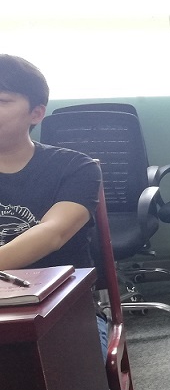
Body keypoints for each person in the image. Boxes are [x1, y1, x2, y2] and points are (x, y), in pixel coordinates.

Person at [0, 54, 104, 348]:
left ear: (36, 113)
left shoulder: (75, 167)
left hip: (61, 309)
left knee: (70, 371)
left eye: (2, 101)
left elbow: (52, 233)